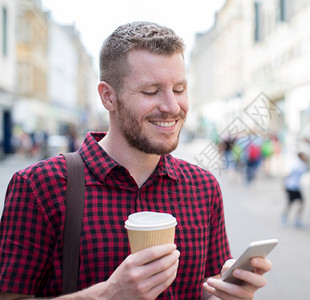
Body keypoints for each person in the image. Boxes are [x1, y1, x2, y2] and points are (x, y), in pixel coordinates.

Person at [0, 22, 272, 299]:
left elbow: (206, 288)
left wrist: (226, 292)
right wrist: (109, 295)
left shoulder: (203, 187)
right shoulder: (39, 186)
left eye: (179, 89)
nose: (172, 106)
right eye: (151, 91)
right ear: (108, 96)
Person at [281, 152, 308, 228]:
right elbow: (287, 174)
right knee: (292, 203)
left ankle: (294, 218)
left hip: (295, 186)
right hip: (292, 186)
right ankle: (288, 217)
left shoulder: (300, 164)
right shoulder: (298, 164)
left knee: (296, 203)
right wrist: (284, 184)